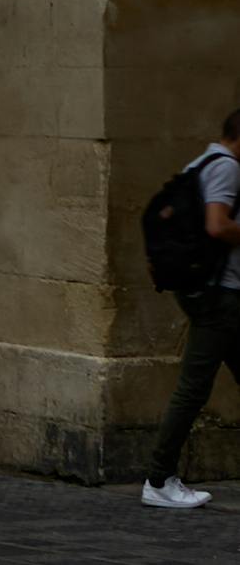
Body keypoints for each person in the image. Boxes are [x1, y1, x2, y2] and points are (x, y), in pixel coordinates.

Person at [145, 105, 240, 502]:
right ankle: (158, 480)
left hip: (215, 293)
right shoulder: (227, 167)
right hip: (222, 296)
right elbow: (217, 225)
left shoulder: (200, 161)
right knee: (192, 388)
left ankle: (160, 479)